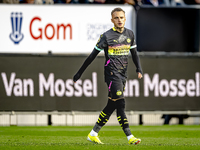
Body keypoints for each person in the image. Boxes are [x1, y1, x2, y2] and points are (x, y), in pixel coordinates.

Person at [73, 7, 143, 145]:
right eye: (116, 18)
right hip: (111, 74)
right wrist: (79, 73)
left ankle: (93, 133)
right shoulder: (106, 36)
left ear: (125, 18)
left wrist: (138, 69)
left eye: (121, 17)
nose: (119, 20)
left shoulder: (130, 34)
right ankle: (130, 137)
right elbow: (92, 56)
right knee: (121, 103)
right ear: (112, 20)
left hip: (123, 74)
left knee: (112, 104)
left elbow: (134, 54)